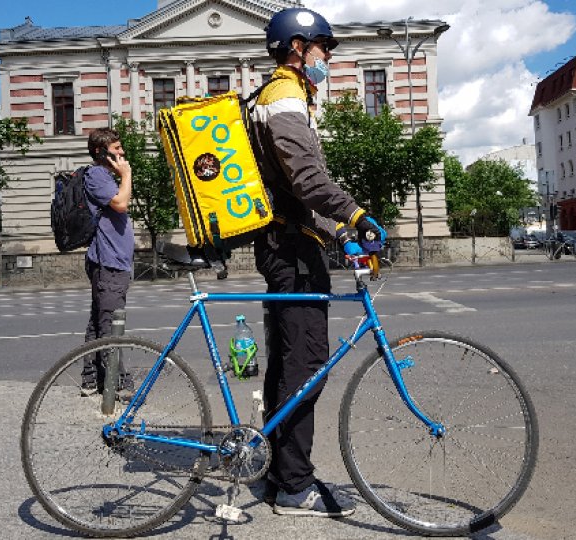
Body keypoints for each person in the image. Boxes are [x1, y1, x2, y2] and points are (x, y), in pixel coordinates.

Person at [252, 6, 387, 517]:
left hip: (290, 243)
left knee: (290, 364)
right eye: (323, 46)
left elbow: (297, 193)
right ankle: (294, 486)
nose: (328, 56)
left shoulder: (288, 95)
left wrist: (336, 233)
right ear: (296, 47)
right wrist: (357, 216)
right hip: (289, 251)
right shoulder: (284, 93)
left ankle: (274, 472)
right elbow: (307, 178)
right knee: (305, 365)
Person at [80, 128, 134, 395]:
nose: (122, 153)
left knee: (98, 321)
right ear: (101, 152)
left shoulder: (104, 176)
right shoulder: (97, 175)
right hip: (108, 263)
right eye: (116, 149)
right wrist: (127, 175)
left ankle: (92, 379)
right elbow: (120, 204)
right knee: (111, 324)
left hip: (113, 262)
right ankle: (118, 383)